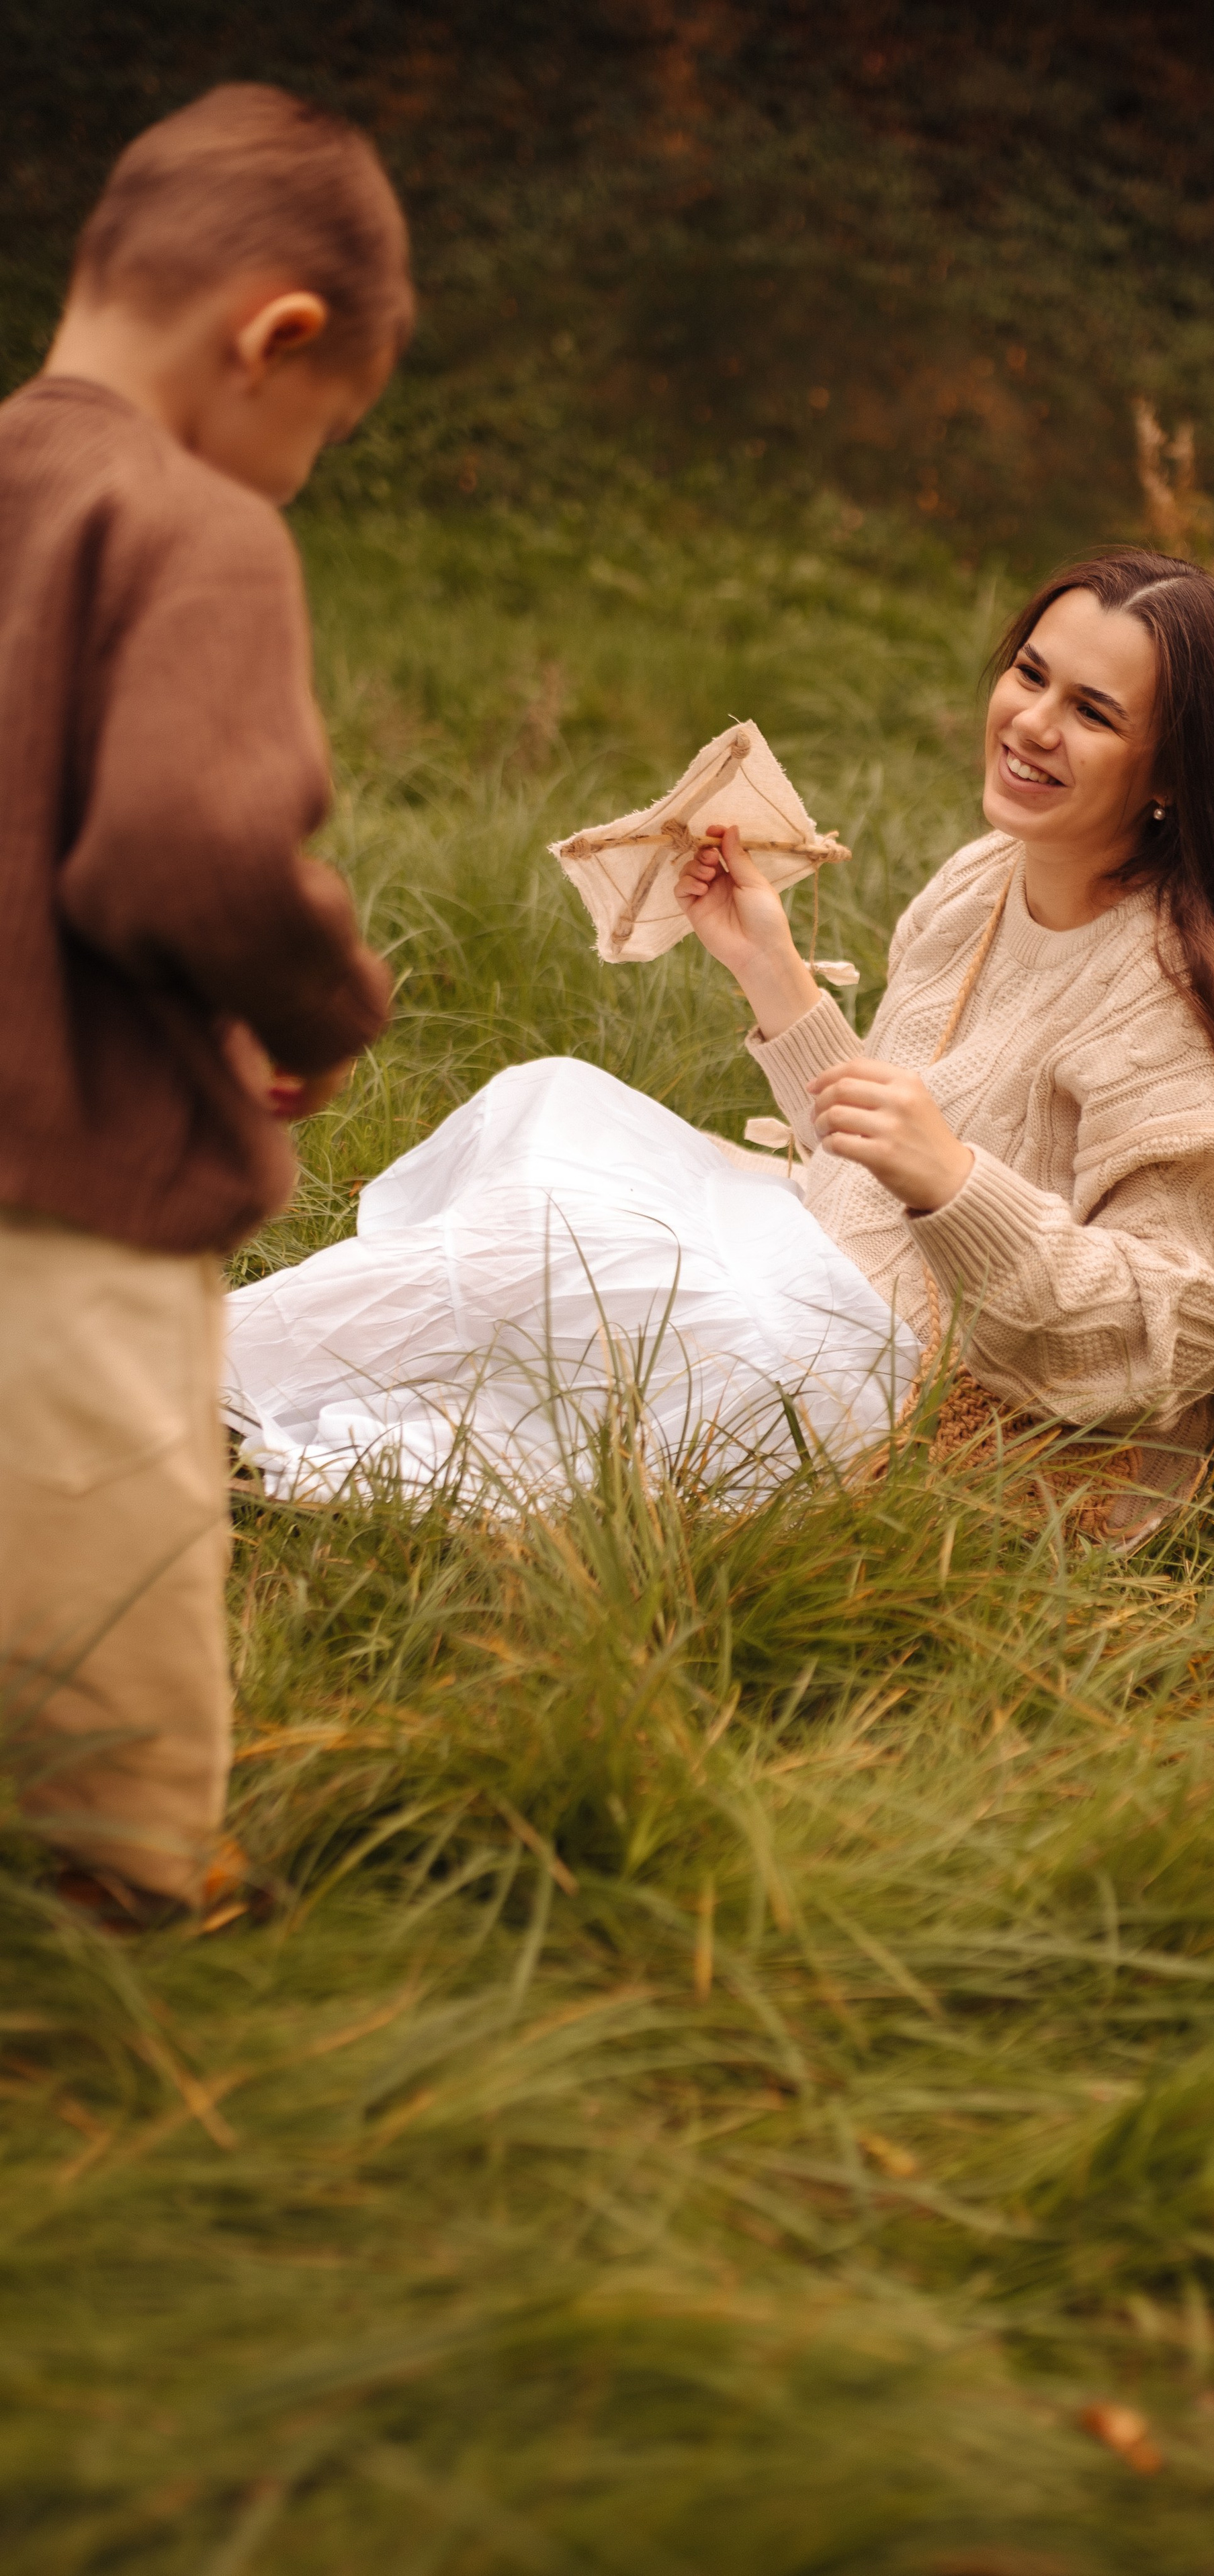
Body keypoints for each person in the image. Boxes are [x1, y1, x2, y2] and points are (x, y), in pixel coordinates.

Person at [220, 547, 1214, 1531]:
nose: (1032, 723)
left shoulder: (1170, 990)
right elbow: (874, 1152)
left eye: (1094, 711)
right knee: (548, 1106)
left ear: (1173, 774)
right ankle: (205, 1373)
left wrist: (959, 1185)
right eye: (1030, 674)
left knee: (571, 1246)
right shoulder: (982, 880)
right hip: (832, 1275)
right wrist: (772, 971)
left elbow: (1192, 1322)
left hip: (960, 1404)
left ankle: (174, 1377)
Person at [0, 85, 409, 1926]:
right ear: (278, 338)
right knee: (115, 1567)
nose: (291, 482)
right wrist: (324, 999)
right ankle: (138, 1897)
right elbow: (177, 845)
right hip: (64, 1182)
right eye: (314, 438)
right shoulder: (195, 530)